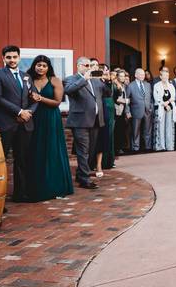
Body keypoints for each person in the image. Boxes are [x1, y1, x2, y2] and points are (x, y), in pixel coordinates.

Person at [0, 45, 38, 200]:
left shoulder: (26, 76)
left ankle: (20, 194)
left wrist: (29, 112)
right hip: (4, 124)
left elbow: (34, 97)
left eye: (15, 57)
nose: (12, 60)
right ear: (3, 58)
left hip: (24, 124)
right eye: (8, 57)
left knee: (22, 159)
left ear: (19, 58)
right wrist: (19, 111)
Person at [24, 55, 73, 202]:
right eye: (38, 65)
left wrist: (40, 98)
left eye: (44, 66)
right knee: (35, 149)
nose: (41, 68)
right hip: (34, 117)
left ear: (48, 67)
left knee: (51, 149)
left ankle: (55, 186)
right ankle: (36, 185)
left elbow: (57, 102)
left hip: (51, 118)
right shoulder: (28, 80)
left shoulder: (54, 80)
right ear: (34, 66)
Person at [64, 57, 105, 190]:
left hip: (95, 120)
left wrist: (106, 80)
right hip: (80, 121)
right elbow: (69, 90)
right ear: (79, 66)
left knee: (91, 150)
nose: (89, 67)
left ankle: (81, 174)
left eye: (91, 65)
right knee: (83, 151)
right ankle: (85, 179)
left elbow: (107, 93)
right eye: (87, 65)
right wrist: (85, 79)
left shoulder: (95, 80)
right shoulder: (71, 78)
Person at [93, 67, 120, 174]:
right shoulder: (96, 82)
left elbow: (114, 95)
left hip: (110, 109)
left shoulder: (109, 83)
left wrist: (114, 83)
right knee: (101, 136)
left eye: (107, 71)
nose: (106, 73)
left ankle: (109, 160)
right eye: (104, 71)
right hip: (101, 109)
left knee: (110, 135)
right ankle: (99, 163)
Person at [126, 68, 152, 154]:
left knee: (147, 130)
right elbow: (127, 99)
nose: (142, 76)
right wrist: (127, 111)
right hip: (136, 111)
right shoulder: (130, 85)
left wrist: (151, 107)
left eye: (143, 74)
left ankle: (147, 147)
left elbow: (151, 98)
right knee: (135, 131)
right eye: (140, 74)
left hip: (147, 111)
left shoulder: (148, 85)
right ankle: (135, 148)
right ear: (136, 75)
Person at [153, 67, 176, 151]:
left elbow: (173, 97)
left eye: (167, 75)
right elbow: (156, 98)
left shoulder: (171, 86)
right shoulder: (157, 85)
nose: (166, 77)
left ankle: (169, 146)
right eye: (164, 75)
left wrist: (168, 104)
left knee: (169, 127)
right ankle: (161, 146)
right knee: (161, 127)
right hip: (161, 108)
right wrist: (165, 104)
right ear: (160, 76)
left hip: (170, 108)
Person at [114, 70, 130, 155]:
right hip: (117, 111)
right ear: (117, 77)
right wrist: (126, 101)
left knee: (121, 129)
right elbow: (116, 99)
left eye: (124, 76)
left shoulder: (124, 85)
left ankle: (120, 147)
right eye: (121, 76)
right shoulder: (116, 85)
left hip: (122, 110)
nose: (122, 78)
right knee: (117, 130)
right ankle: (117, 148)